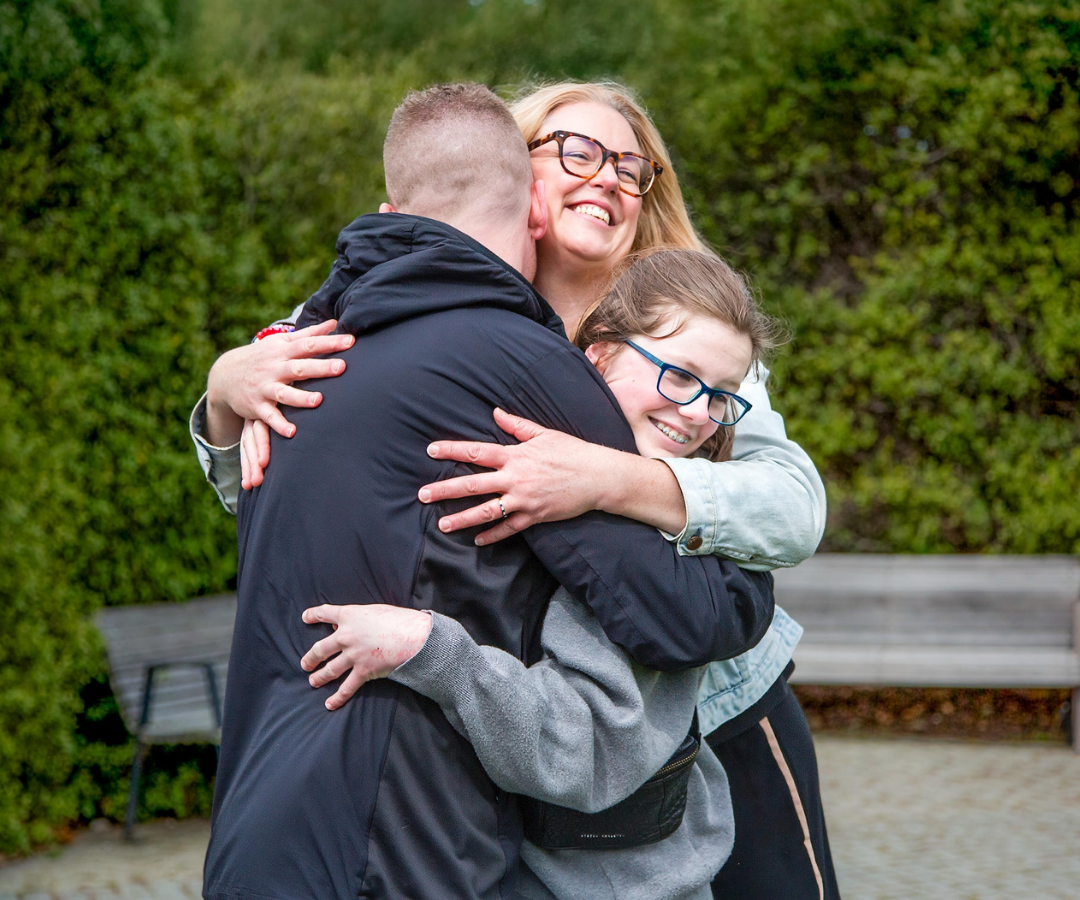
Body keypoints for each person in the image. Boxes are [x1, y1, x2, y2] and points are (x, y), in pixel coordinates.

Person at [193, 82, 837, 899]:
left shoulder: (689, 330)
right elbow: (299, 479)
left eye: (631, 168)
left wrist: (616, 477)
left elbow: (791, 507)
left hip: (722, 701)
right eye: (578, 150)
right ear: (515, 176)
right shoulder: (426, 302)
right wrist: (223, 390)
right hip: (535, 731)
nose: (607, 176)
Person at [300, 246, 794, 900]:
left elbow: (585, 750)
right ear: (600, 354)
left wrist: (429, 649)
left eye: (723, 396)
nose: (701, 412)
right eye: (681, 376)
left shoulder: (660, 546)